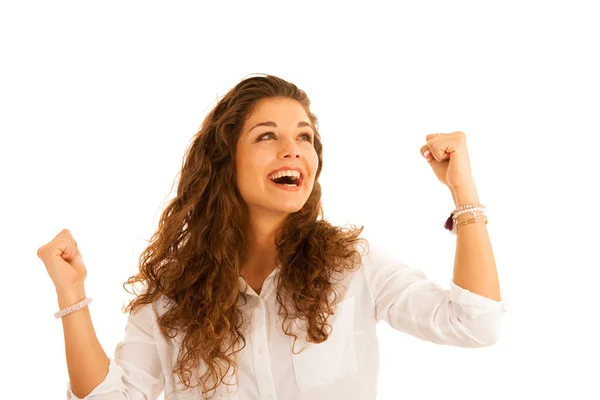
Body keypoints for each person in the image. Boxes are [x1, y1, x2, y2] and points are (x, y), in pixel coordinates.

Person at [37, 74, 508, 400]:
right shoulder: (173, 298)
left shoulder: (353, 267)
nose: (292, 150)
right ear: (226, 161)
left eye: (304, 137)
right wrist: (72, 294)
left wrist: (462, 191)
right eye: (267, 136)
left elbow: (475, 323)